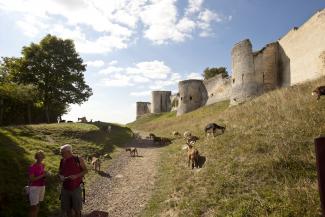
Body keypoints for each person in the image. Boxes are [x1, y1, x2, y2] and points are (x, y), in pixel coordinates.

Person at [59, 144, 88, 217]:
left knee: (77, 210)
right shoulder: (62, 161)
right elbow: (59, 172)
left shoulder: (78, 159)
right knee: (67, 210)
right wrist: (60, 176)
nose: (61, 154)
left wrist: (76, 176)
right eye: (61, 153)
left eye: (62, 153)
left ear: (69, 152)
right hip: (65, 188)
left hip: (76, 188)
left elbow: (85, 170)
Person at [28, 150, 47, 217]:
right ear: (36, 157)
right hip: (34, 187)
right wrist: (43, 175)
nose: (40, 158)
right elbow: (32, 179)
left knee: (38, 204)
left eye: (41, 157)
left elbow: (43, 176)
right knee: (33, 207)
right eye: (38, 157)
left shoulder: (43, 165)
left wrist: (45, 176)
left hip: (42, 186)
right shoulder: (32, 166)